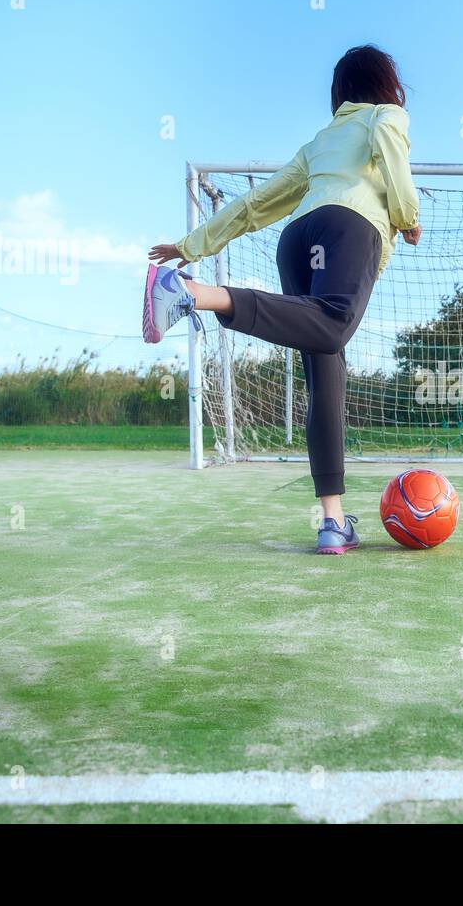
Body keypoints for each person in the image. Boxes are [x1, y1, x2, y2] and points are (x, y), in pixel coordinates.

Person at [142, 44, 420, 554]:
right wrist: (406, 216)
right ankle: (199, 295)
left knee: (326, 377)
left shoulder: (321, 142)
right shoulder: (387, 116)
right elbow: (392, 154)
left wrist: (190, 245)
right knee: (335, 325)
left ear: (339, 93)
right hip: (349, 229)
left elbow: (256, 205)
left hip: (297, 241)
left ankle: (333, 521)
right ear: (385, 85)